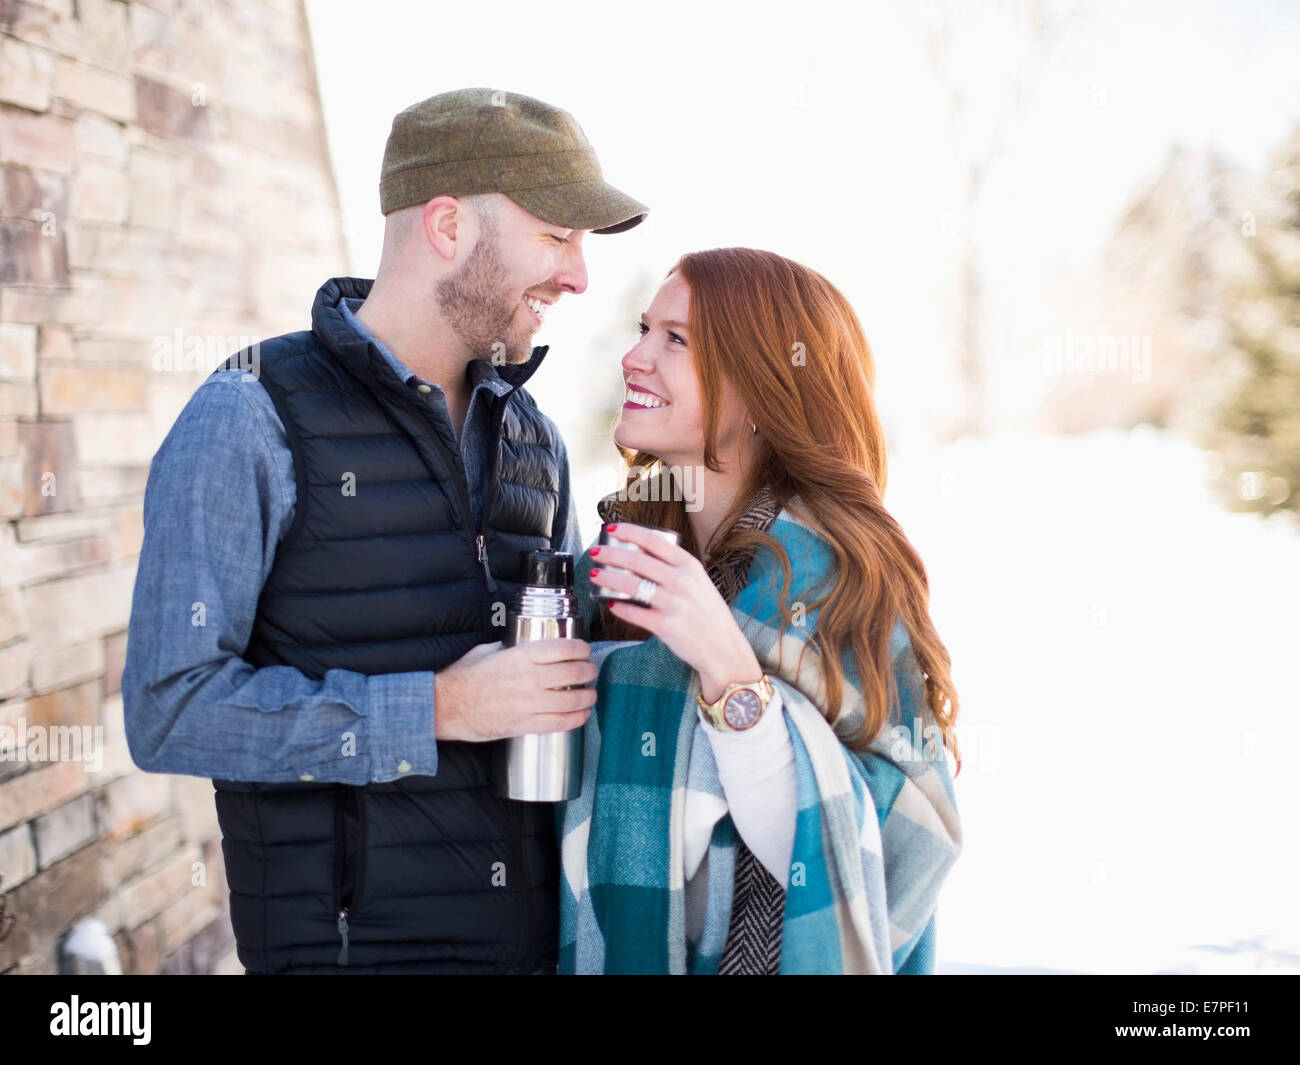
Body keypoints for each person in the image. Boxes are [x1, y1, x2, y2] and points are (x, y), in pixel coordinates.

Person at [121, 88, 648, 974]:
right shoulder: (251, 417)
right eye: (557, 237)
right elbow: (168, 710)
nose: (579, 276)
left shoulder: (536, 442)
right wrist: (439, 707)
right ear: (447, 226)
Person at [558, 248, 964, 974]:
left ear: (762, 385)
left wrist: (725, 666)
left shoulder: (840, 574)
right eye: (643, 328)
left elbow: (883, 855)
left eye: (675, 340)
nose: (633, 357)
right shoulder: (624, 557)